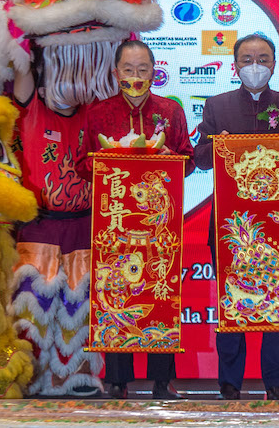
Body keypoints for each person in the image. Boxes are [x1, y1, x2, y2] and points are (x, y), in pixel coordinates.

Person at [194, 33, 279, 401]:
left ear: (274, 64)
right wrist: (218, 145)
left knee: (278, 297)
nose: (255, 66)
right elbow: (201, 159)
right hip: (232, 226)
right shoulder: (217, 106)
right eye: (247, 60)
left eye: (262, 59)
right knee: (233, 298)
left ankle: (276, 383)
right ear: (235, 66)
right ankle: (230, 383)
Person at [79, 39, 196, 400]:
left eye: (142, 69)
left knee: (160, 291)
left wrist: (169, 156)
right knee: (117, 290)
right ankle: (118, 379)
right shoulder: (98, 113)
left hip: (158, 222)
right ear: (116, 73)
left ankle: (162, 379)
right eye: (128, 69)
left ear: (154, 70)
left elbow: (189, 160)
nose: (135, 76)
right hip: (114, 220)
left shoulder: (171, 111)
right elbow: (82, 164)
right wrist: (107, 159)